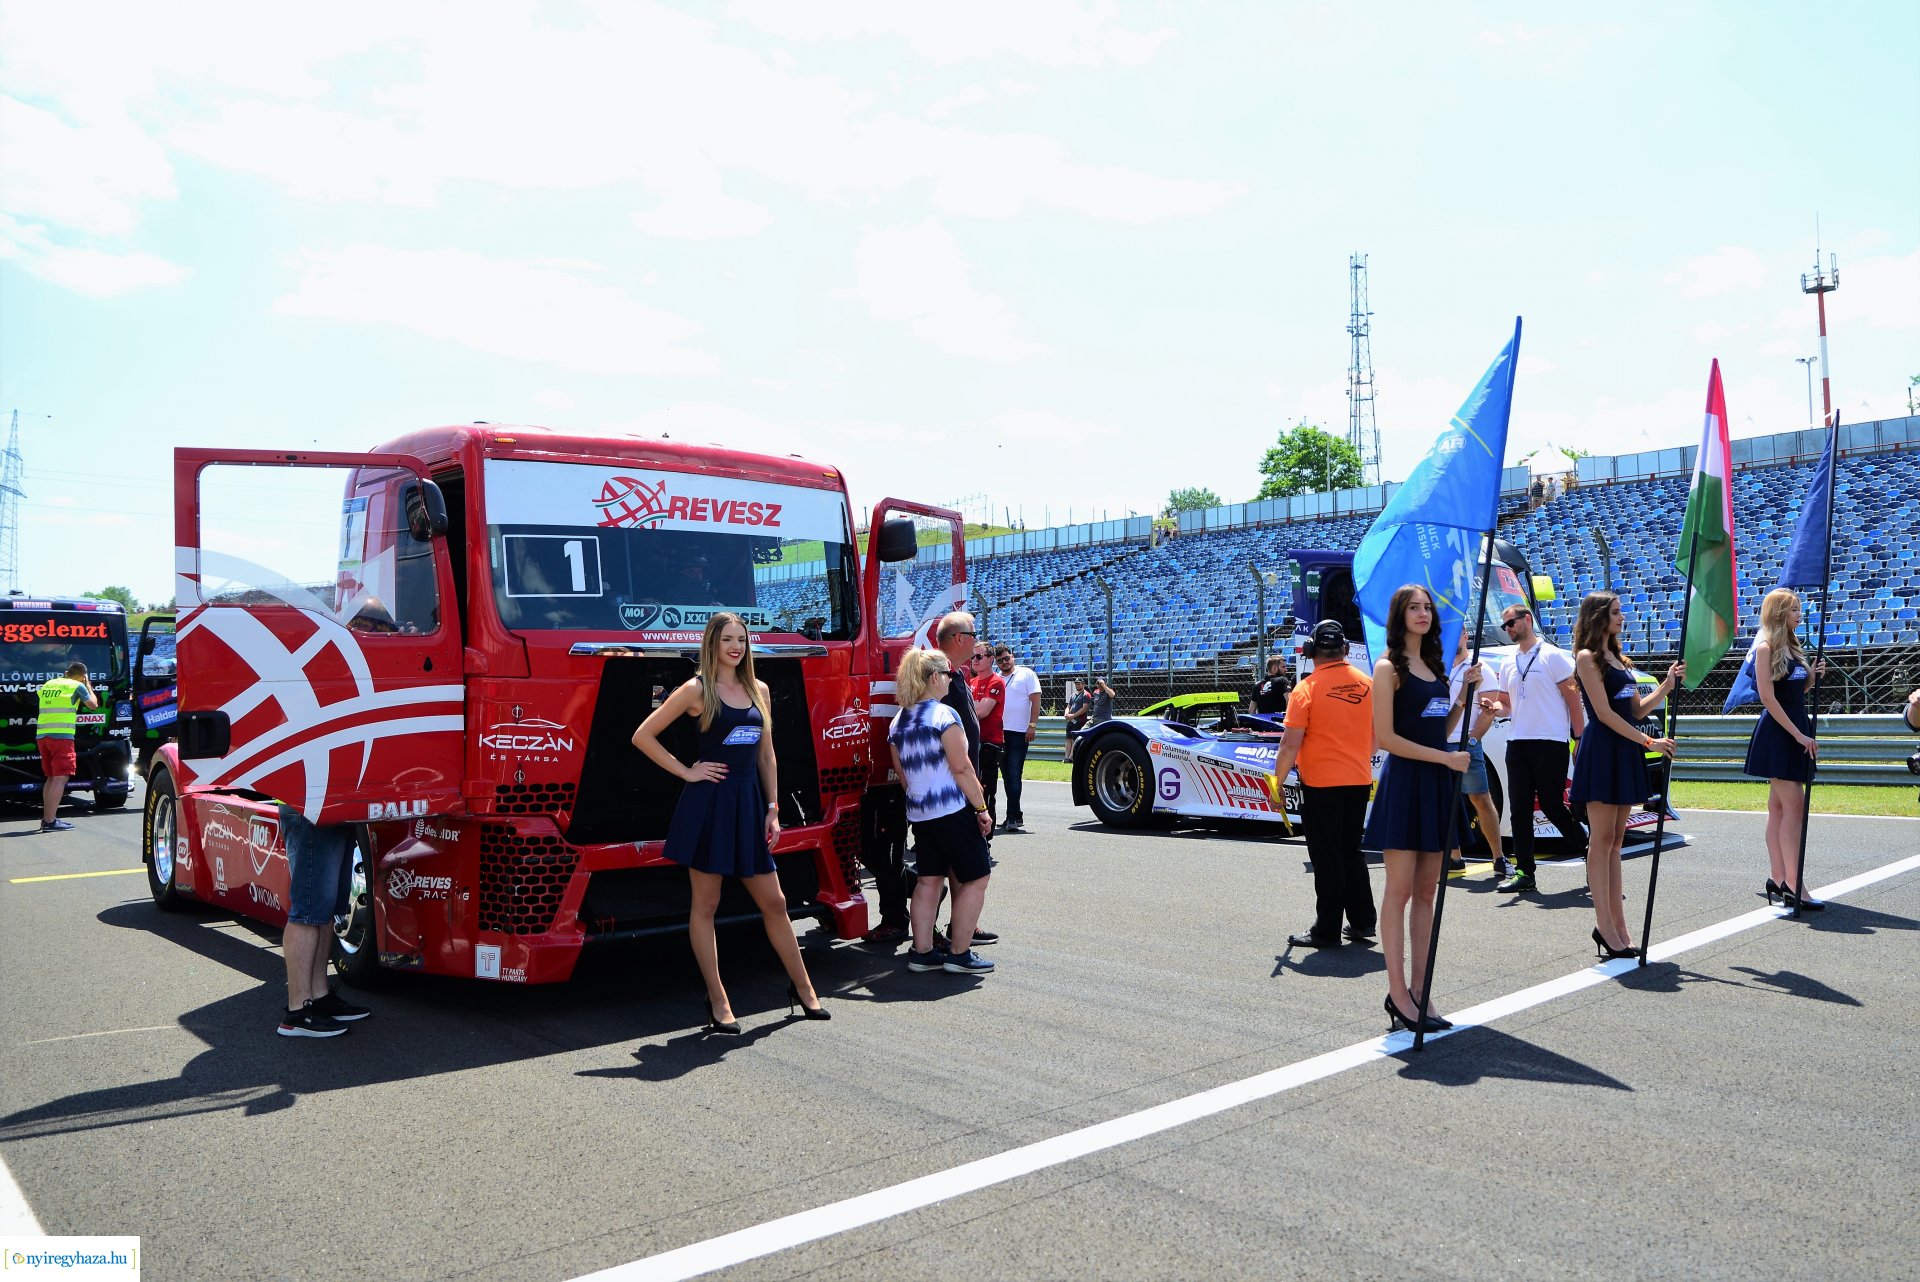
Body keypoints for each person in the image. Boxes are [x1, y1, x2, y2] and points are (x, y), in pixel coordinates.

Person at [631, 612, 829, 1031]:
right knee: (706, 904)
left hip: (749, 804)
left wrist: (773, 807)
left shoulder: (760, 689)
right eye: (727, 640)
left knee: (774, 902)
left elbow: (766, 754)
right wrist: (687, 771)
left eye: (741, 639)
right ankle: (718, 999)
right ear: (713, 644)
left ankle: (804, 989)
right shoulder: (696, 689)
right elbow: (642, 735)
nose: (736, 647)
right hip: (709, 805)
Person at [1362, 585, 1475, 1034]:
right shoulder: (1387, 668)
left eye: (1428, 607)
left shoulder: (1438, 667)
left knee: (1428, 893)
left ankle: (1421, 990)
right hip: (1407, 783)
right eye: (1414, 607)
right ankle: (1397, 992)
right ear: (1399, 615)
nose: (1423, 613)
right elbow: (1386, 739)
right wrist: (1446, 759)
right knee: (1400, 891)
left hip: (1435, 782)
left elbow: (1439, 727)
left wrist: (1464, 697)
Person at [1568, 591, 1680, 961]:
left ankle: (1618, 926)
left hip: (1623, 748)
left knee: (1616, 840)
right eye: (1616, 612)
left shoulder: (1619, 658)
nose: (1622, 617)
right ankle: (1606, 925)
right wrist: (1649, 740)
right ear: (1598, 616)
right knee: (1600, 841)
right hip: (1603, 750)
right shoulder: (1587, 658)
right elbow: (1603, 714)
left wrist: (1665, 685)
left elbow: (1634, 709)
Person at [888, 648, 996, 976]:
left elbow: (904, 778)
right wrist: (981, 808)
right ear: (935, 678)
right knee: (977, 876)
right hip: (952, 809)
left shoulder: (898, 721)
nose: (951, 679)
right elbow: (962, 769)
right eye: (948, 674)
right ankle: (959, 953)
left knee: (928, 881)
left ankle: (922, 952)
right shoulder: (945, 715)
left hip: (921, 813)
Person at [1273, 620, 1377, 950]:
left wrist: (1277, 784)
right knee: (1350, 851)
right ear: (1345, 650)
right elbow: (1378, 736)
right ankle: (1362, 922)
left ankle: (1327, 929)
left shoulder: (1306, 689)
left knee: (1327, 857)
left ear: (1312, 651)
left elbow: (1289, 744)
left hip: (1321, 784)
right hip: (1358, 780)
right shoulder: (1367, 683)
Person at [1483, 602, 1587, 893]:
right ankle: (1525, 871)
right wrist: (1494, 707)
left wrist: (1579, 738)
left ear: (1527, 619)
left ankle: (1587, 848)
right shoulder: (1507, 662)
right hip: (1517, 742)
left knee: (1553, 807)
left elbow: (1573, 701)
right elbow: (1506, 704)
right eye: (1505, 626)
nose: (1507, 629)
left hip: (1550, 742)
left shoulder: (1552, 656)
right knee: (1519, 810)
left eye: (1511, 623)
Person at [1744, 589, 1825, 910]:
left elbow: (1792, 691)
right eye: (1793, 609)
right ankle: (1795, 884)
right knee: (1795, 806)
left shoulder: (1792, 646)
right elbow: (1768, 697)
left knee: (1779, 808)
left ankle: (1779, 878)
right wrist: (1798, 736)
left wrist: (1811, 679)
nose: (1799, 614)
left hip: (1795, 727)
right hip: (1779, 733)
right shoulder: (1764, 647)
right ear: (1779, 613)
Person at [275, 809, 373, 1037]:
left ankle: (319, 996)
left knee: (324, 909)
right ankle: (297, 1010)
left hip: (332, 805)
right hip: (310, 806)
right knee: (308, 910)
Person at [935, 613, 998, 945]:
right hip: (952, 788)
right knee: (966, 867)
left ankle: (959, 927)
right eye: (973, 635)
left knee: (950, 868)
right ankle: (957, 935)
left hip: (961, 782)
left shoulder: (956, 675)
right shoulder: (941, 676)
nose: (977, 641)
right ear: (958, 638)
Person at [1446, 634, 1504, 875]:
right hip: (1438, 743)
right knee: (1445, 801)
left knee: (1480, 798)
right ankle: (1454, 856)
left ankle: (1499, 858)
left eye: (1456, 630)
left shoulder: (1480, 667)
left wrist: (1472, 740)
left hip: (1464, 743)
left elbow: (1489, 709)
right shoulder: (1437, 665)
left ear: (1466, 635)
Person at [34, 660, 98, 833]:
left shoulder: (49, 684)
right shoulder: (77, 686)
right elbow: (93, 705)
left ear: (66, 672)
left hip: (42, 735)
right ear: (83, 676)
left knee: (51, 777)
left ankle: (47, 818)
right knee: (61, 777)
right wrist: (89, 687)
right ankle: (50, 821)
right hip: (61, 736)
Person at [995, 645, 1041, 834]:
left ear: (1012, 657)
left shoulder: (1026, 674)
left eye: (1007, 658)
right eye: (1000, 660)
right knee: (1006, 775)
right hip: (1000, 732)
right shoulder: (996, 678)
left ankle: (1013, 816)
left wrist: (1032, 725)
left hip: (1019, 732)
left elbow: (1036, 700)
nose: (1004, 662)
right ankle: (1014, 813)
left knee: (1014, 774)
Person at [968, 641, 1006, 829]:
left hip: (989, 745)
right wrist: (974, 705)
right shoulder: (972, 682)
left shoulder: (996, 681)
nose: (974, 660)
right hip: (973, 744)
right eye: (973, 656)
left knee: (986, 792)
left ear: (991, 659)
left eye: (979, 656)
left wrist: (970, 706)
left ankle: (986, 839)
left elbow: (982, 711)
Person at [1062, 678, 1091, 761]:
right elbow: (1068, 706)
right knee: (1068, 738)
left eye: (1079, 684)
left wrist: (1073, 715)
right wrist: (1066, 713)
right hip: (1071, 720)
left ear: (1083, 684)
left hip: (1079, 720)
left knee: (1075, 739)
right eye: (1076, 684)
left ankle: (1071, 757)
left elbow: (1085, 708)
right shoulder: (1073, 695)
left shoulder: (1086, 694)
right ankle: (1066, 757)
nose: (1077, 685)